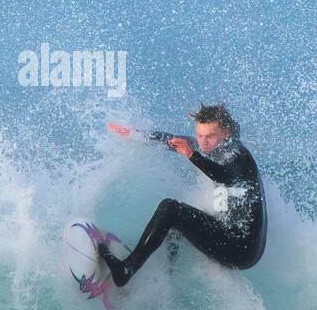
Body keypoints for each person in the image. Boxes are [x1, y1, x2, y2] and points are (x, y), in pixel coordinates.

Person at [98, 103, 267, 286]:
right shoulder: (213, 146)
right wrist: (135, 134)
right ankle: (165, 279)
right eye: (200, 135)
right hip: (229, 236)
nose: (203, 142)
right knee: (176, 224)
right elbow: (172, 140)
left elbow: (225, 176)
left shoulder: (237, 154)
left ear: (226, 133)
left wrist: (191, 155)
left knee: (171, 209)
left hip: (240, 248)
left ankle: (126, 270)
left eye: (210, 136)